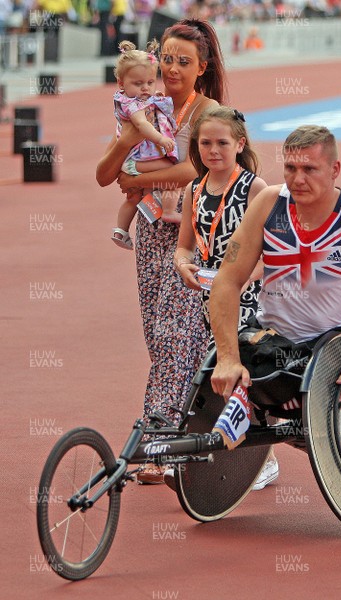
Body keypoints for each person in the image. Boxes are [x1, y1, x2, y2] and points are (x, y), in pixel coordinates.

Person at [96, 18, 227, 484]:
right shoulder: (139, 107)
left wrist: (136, 178)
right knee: (161, 339)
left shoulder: (208, 113)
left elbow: (194, 173)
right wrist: (129, 143)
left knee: (175, 337)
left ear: (202, 67)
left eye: (182, 62)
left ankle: (158, 446)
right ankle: (229, 439)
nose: (171, 69)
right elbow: (106, 174)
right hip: (151, 235)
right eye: (166, 59)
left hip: (196, 238)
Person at [209, 125, 341, 415]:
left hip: (327, 350)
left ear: (334, 169)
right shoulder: (268, 204)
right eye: (290, 168)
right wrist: (227, 357)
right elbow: (227, 280)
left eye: (310, 169)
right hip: (269, 343)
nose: (297, 179)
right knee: (218, 381)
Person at [174, 105, 278, 489]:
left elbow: (274, 252)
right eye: (205, 143)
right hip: (208, 296)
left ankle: (264, 458)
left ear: (240, 143)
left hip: (249, 296)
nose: (213, 150)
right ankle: (216, 450)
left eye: (221, 142)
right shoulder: (193, 190)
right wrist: (183, 266)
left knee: (244, 371)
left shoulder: (255, 188)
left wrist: (241, 278)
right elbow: (184, 246)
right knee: (216, 372)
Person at [111, 39, 178, 250]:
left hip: (135, 161)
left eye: (150, 82)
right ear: (121, 84)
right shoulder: (130, 104)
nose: (145, 88)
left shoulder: (137, 99)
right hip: (136, 161)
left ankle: (120, 230)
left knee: (134, 196)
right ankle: (168, 211)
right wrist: (161, 139)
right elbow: (141, 124)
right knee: (173, 172)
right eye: (138, 84)